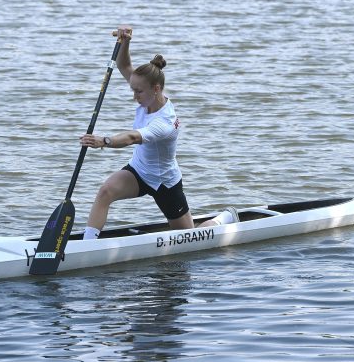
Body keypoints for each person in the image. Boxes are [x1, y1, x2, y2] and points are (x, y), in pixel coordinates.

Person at [79, 27, 238, 240]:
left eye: (138, 91)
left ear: (156, 89)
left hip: (165, 182)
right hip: (138, 171)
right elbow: (124, 65)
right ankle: (88, 244)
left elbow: (133, 137)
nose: (134, 95)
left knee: (189, 236)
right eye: (133, 89)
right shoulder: (146, 94)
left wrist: (104, 141)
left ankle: (223, 219)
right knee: (106, 191)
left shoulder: (165, 122)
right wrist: (125, 42)